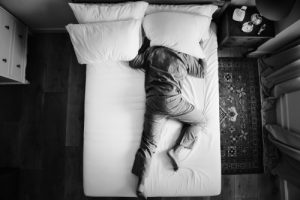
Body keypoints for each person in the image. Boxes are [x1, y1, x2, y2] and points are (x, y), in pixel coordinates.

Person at [129, 39, 207, 199]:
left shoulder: (152, 52)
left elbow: (133, 62)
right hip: (173, 101)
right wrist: (201, 52)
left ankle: (142, 182)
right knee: (200, 121)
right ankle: (176, 151)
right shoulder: (184, 56)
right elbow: (202, 72)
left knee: (149, 143)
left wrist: (145, 44)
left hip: (154, 102)